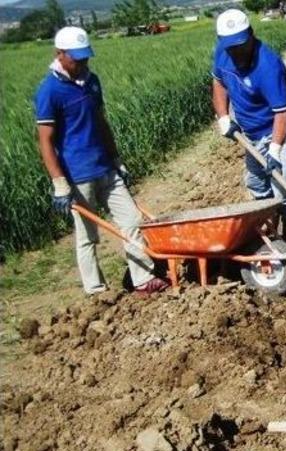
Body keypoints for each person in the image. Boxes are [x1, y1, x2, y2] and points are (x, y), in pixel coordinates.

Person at [34, 26, 168, 295]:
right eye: (76, 58)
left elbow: (102, 123)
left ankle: (142, 279)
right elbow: (45, 141)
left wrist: (116, 158)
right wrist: (59, 183)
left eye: (85, 57)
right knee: (87, 236)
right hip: (78, 175)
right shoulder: (49, 91)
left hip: (106, 167)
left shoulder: (91, 80)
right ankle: (96, 291)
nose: (83, 62)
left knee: (132, 221)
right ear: (59, 54)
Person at [211, 9, 286, 248]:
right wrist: (223, 116)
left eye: (242, 45)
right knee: (256, 185)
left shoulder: (269, 66)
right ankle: (270, 235)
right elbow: (219, 82)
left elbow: (282, 113)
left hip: (279, 132)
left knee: (285, 195)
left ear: (251, 35)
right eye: (232, 47)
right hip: (250, 135)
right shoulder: (223, 53)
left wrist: (274, 149)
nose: (238, 52)